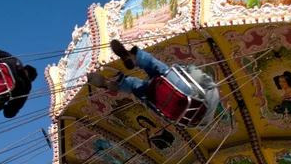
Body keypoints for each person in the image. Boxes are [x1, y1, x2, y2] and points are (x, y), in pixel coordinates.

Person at [87, 40, 220, 127]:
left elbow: (200, 77)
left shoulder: (213, 95)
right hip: (166, 106)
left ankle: (134, 58)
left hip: (185, 94)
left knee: (157, 68)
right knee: (135, 87)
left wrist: (188, 68)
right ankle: (112, 83)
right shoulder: (195, 123)